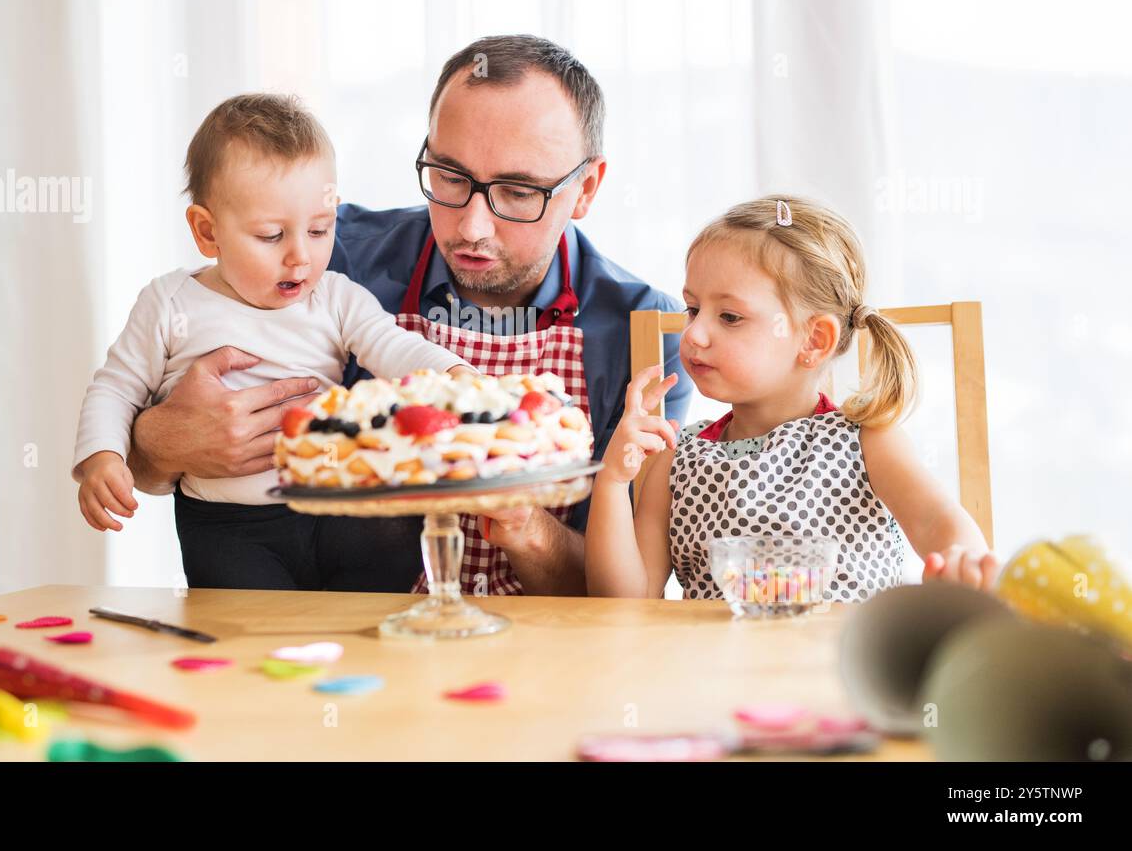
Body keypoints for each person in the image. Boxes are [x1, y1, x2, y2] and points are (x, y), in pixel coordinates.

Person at [127, 35, 692, 596]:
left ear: (586, 188)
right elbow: (143, 449)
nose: (472, 226)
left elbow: (622, 600)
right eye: (449, 176)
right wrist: (159, 445)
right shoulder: (324, 256)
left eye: (518, 191)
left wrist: (527, 527)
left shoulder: (646, 330)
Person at [72, 93, 470, 590]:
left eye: (321, 229)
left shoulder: (335, 297)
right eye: (270, 236)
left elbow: (391, 345)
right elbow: (115, 387)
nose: (300, 257)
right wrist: (102, 458)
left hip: (335, 502)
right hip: (230, 527)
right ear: (207, 231)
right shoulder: (170, 304)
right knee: (246, 628)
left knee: (391, 534)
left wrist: (454, 375)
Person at [586, 195, 998, 600]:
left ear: (814, 341)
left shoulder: (866, 440)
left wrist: (964, 561)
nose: (692, 334)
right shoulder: (675, 459)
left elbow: (934, 520)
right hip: (714, 666)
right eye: (693, 309)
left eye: (729, 317)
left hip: (837, 662)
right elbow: (628, 600)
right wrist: (612, 481)